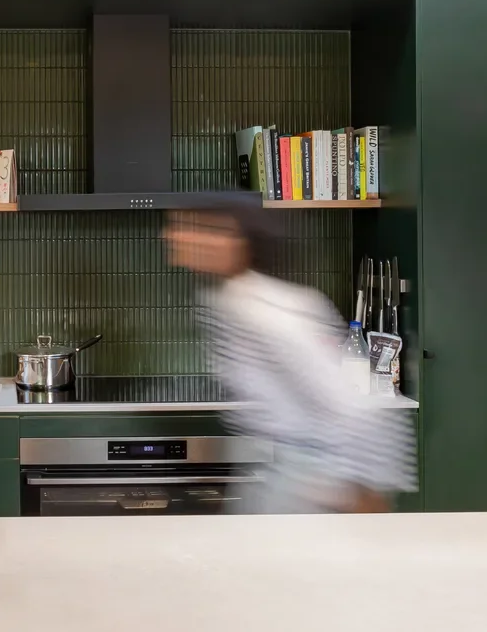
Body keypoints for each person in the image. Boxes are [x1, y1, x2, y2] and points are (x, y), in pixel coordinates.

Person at [162, 196, 414, 514]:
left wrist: (369, 498)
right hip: (278, 470)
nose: (172, 235)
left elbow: (355, 407)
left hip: (310, 479)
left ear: (238, 241)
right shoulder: (226, 300)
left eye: (195, 227)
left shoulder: (266, 310)